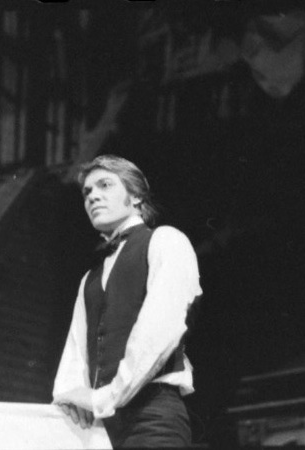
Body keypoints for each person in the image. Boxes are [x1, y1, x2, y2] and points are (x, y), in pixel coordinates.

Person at [52, 154, 203, 448]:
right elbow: (75, 354)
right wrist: (69, 396)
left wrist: (104, 398)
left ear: (135, 197)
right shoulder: (90, 279)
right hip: (101, 427)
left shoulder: (165, 241)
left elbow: (158, 332)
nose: (93, 196)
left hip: (152, 418)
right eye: (87, 191)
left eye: (105, 185)